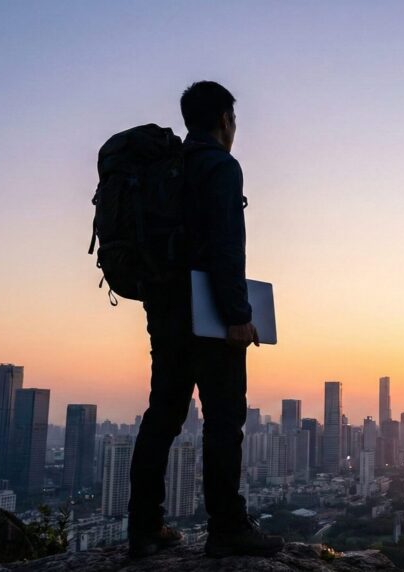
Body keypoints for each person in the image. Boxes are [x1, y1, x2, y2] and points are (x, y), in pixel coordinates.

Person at [127, 81, 284, 559]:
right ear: (224, 120)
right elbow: (225, 246)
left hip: (164, 309)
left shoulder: (167, 167)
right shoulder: (220, 166)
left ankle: (144, 527)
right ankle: (227, 527)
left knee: (163, 414)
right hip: (210, 316)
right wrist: (238, 316)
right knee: (223, 421)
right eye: (234, 120)